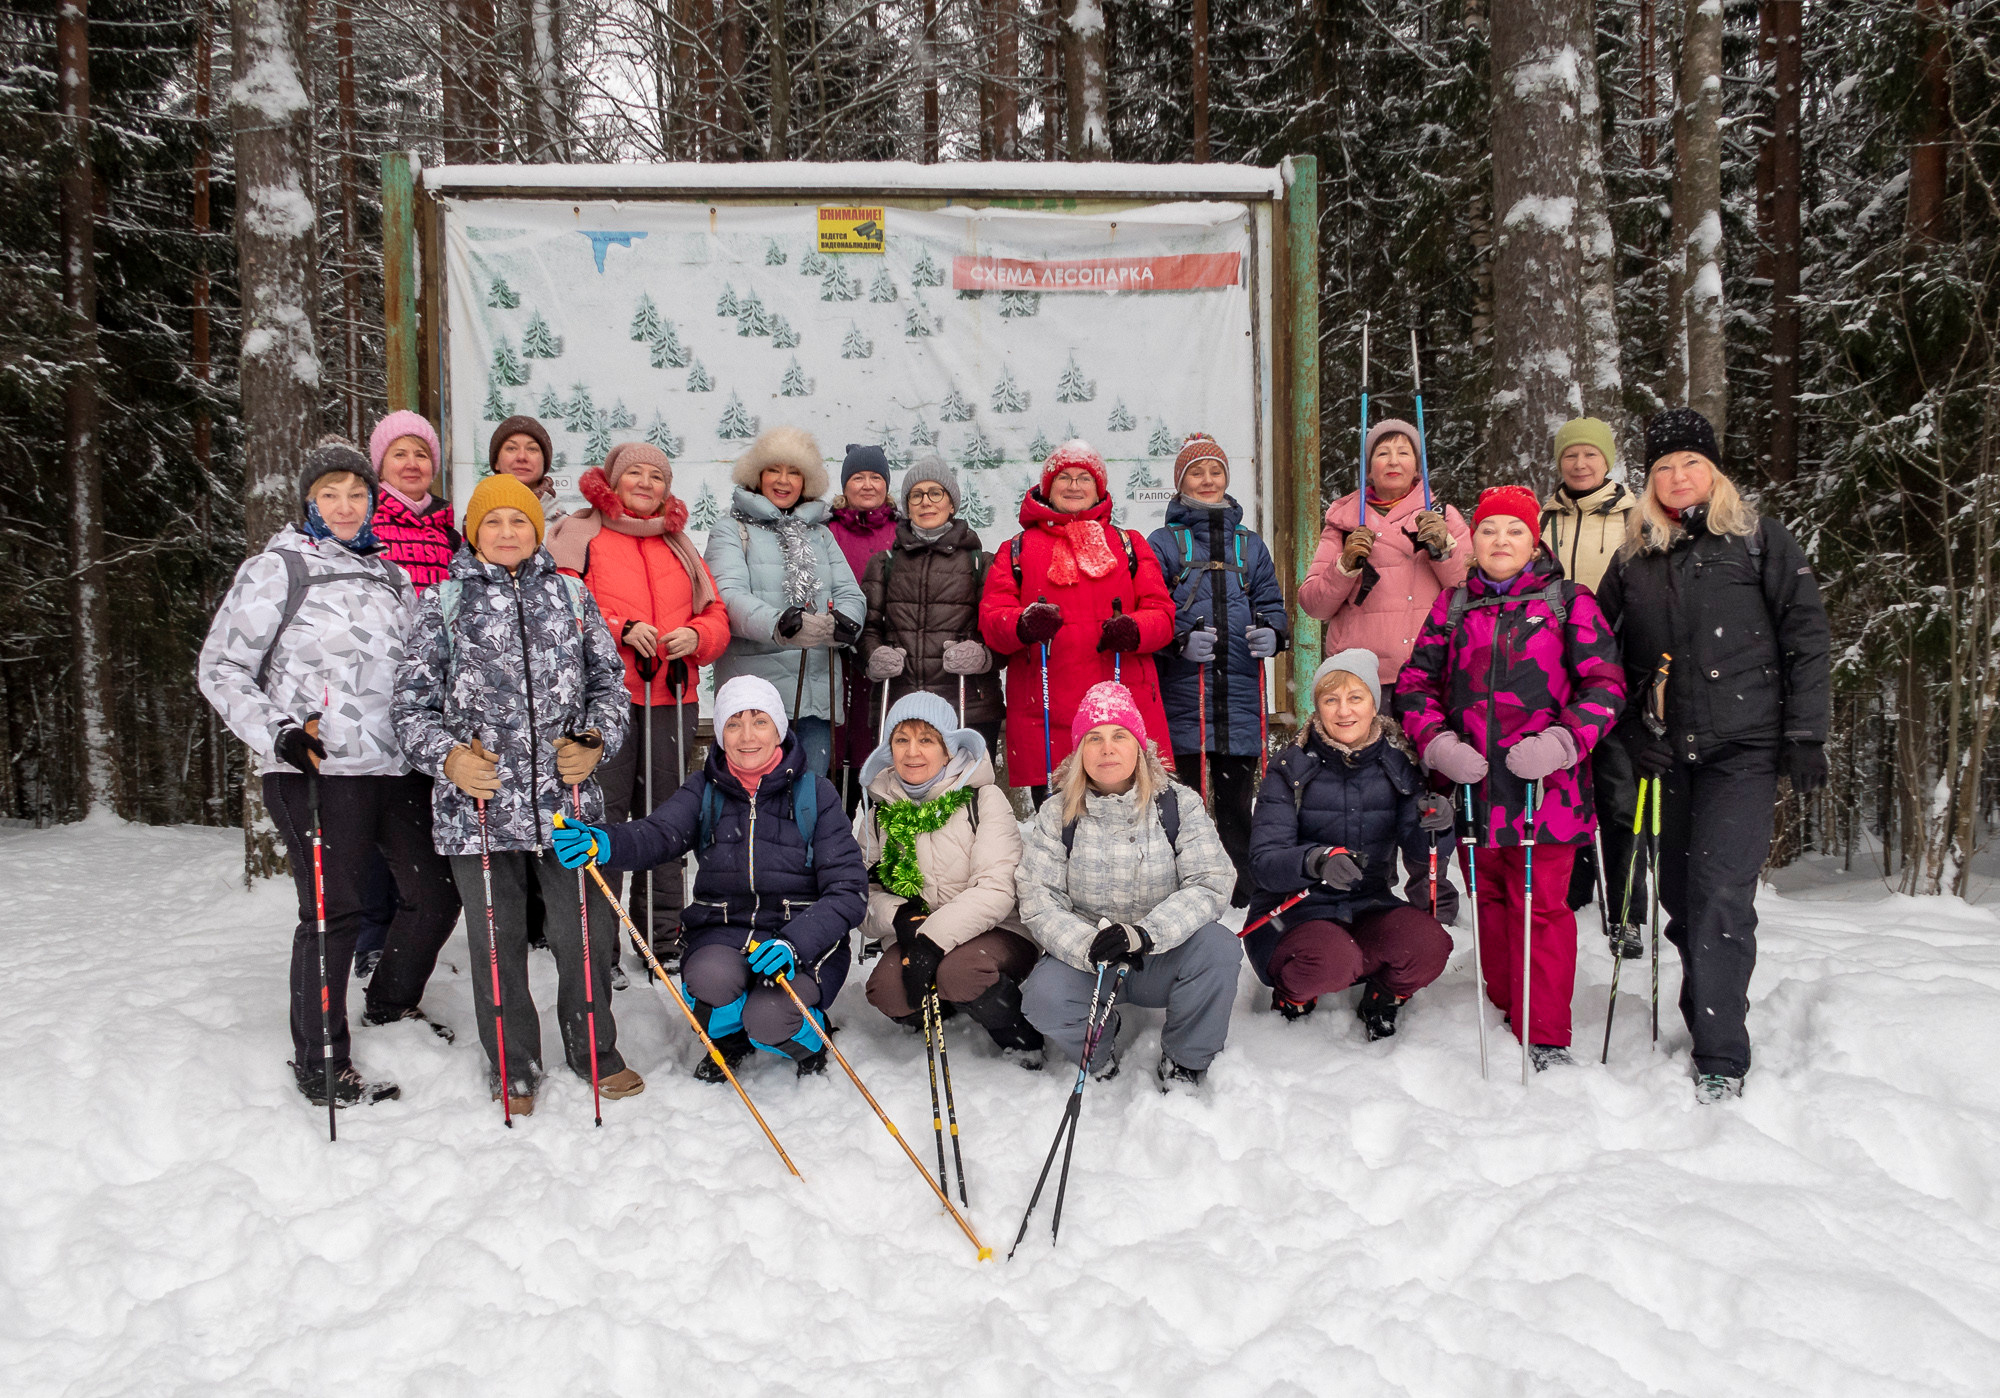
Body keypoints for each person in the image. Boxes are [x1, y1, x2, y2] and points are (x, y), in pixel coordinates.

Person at [197, 443, 461, 1109]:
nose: (345, 505)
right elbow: (221, 668)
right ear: (308, 502)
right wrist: (279, 734)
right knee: (332, 912)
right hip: (315, 768)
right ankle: (321, 1059)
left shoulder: (389, 574)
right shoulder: (277, 568)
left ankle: (391, 1004)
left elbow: (418, 670)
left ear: (373, 502)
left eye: (356, 493)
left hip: (394, 765)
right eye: (330, 494)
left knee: (434, 895)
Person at [1594, 409, 1830, 1103]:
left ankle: (1721, 1049)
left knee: (1721, 895)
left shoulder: (1760, 542)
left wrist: (1806, 734)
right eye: (1664, 467)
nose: (1677, 478)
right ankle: (1709, 1007)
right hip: (1665, 756)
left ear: (1714, 471)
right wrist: (1629, 731)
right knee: (1679, 899)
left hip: (1743, 748)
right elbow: (1601, 656)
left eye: (1690, 464)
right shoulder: (1634, 558)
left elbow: (1806, 636)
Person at [392, 473, 638, 1116]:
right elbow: (410, 705)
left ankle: (595, 1052)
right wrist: (446, 758)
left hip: (566, 803)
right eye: (493, 522)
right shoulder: (443, 602)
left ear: (538, 530)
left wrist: (593, 741)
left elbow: (610, 689)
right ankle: (514, 1066)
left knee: (582, 932)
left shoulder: (572, 597)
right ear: (473, 531)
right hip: (479, 807)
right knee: (494, 942)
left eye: (519, 521)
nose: (507, 533)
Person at [1395, 485, 1625, 1070]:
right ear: (1475, 540)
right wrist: (1439, 744)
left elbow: (1605, 684)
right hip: (1474, 790)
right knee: (1490, 901)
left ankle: (1544, 1032)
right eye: (1490, 530)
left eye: (1514, 530)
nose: (1502, 540)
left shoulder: (1567, 601)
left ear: (1534, 539)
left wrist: (1563, 742)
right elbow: (1414, 685)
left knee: (1540, 908)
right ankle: (1505, 1006)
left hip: (1545, 791)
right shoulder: (1452, 604)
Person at [552, 675, 868, 1078]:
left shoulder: (814, 793)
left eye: (759, 721)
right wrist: (604, 843)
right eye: (734, 723)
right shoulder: (706, 788)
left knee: (769, 1020)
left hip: (799, 937)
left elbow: (849, 891)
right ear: (719, 733)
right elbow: (658, 834)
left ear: (779, 729)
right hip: (725, 929)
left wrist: (793, 944)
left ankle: (808, 1039)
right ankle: (728, 1041)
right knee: (708, 981)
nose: (746, 735)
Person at [548, 441, 730, 973]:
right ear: (614, 481)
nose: (646, 483)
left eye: (657, 475)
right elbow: (562, 607)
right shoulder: (582, 534)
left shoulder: (679, 545)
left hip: (672, 698)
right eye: (635, 474)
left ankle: (662, 936)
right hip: (607, 701)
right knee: (604, 818)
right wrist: (621, 628)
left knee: (667, 819)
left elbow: (715, 614)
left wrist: (695, 636)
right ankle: (599, 942)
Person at [1016, 682, 1239, 1090]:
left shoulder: (1177, 804)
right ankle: (1098, 1051)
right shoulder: (1056, 813)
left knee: (1218, 948)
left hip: (1159, 953)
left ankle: (1186, 1059)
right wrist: (1090, 945)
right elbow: (1038, 898)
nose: (1107, 748)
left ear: (1139, 746)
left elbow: (1210, 881)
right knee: (1042, 998)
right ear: (1079, 751)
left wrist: (1145, 934)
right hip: (1092, 961)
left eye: (1120, 736)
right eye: (1094, 738)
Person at [1246, 652, 1457, 1036]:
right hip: (1292, 912)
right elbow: (1264, 861)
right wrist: (1316, 860)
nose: (1344, 711)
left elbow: (1420, 853)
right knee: (1334, 960)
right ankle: (1294, 994)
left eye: (1355, 697)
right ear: (1318, 707)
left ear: (1374, 703)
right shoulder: (1289, 768)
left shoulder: (1398, 766)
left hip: (1368, 905)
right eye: (1331, 700)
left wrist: (1437, 826)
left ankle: (1384, 995)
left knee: (1430, 944)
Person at [979, 441, 1177, 801]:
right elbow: (992, 619)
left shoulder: (1129, 543)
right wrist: (1022, 625)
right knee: (1057, 836)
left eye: (1084, 477)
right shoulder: (1017, 549)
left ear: (1098, 487)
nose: (1073, 486)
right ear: (1047, 489)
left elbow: (1162, 615)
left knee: (1129, 832)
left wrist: (1134, 630)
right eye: (1063, 478)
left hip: (1120, 712)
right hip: (1047, 715)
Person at [852, 692, 1043, 1060]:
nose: (912, 752)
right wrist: (898, 917)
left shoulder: (982, 798)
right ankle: (946, 1007)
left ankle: (1016, 1033)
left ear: (948, 749)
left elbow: (997, 888)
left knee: (960, 972)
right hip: (917, 933)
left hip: (996, 930)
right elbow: (862, 892)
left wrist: (931, 941)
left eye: (927, 740)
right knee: (887, 991)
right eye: (901, 740)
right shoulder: (879, 813)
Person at [1148, 432, 1291, 904]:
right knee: (1182, 802)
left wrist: (1274, 631)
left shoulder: (1250, 546)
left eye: (1216, 470)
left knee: (1235, 804)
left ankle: (1243, 893)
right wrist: (1180, 639)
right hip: (1184, 695)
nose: (1207, 479)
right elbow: (1152, 606)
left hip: (1240, 695)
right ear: (1180, 481)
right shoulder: (1163, 543)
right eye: (1196, 471)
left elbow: (1270, 600)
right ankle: (1183, 888)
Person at [1537, 416, 1649, 957]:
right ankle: (1576, 894)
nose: (1580, 465)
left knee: (1619, 793)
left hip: (1614, 669)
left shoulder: (1636, 518)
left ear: (1609, 460)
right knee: (1567, 788)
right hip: (1554, 671)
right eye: (1570, 456)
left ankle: (1627, 907)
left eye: (1591, 455)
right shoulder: (1541, 520)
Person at [704, 426, 867, 777]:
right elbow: (728, 598)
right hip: (754, 703)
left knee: (809, 803)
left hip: (815, 699)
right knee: (754, 807)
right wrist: (780, 624)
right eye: (774, 470)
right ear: (757, 475)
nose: (784, 480)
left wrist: (844, 623)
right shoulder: (731, 530)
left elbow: (850, 594)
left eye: (794, 472)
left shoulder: (820, 534)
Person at [1299, 419, 1471, 692]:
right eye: (1382, 453)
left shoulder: (1441, 516)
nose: (1393, 461)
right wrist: (1344, 567)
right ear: (1368, 470)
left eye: (1403, 453)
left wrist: (1444, 550)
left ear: (1417, 467)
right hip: (1358, 678)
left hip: (1427, 672)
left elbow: (1468, 589)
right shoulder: (1344, 522)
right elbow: (1313, 605)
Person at [858, 456, 1003, 759]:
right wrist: (874, 655)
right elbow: (866, 629)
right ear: (907, 506)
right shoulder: (884, 564)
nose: (926, 502)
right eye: (916, 495)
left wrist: (983, 655)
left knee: (966, 801)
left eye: (936, 493)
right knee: (900, 801)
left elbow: (1001, 632)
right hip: (899, 705)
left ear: (952, 504)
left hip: (967, 707)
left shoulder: (982, 563)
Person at [828, 444, 901, 800]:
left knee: (879, 747)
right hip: (837, 656)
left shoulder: (903, 533)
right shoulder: (827, 531)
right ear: (845, 485)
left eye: (876, 477)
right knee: (839, 747)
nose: (868, 485)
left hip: (886, 656)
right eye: (858, 477)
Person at [369, 410, 459, 594]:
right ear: (380, 467)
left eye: (421, 455)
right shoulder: (363, 526)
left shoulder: (450, 535)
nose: (412, 464)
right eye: (400, 455)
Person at [490, 414, 564, 522]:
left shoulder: (567, 529)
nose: (521, 457)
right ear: (496, 462)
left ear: (545, 462)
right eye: (511, 448)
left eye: (532, 449)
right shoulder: (477, 523)